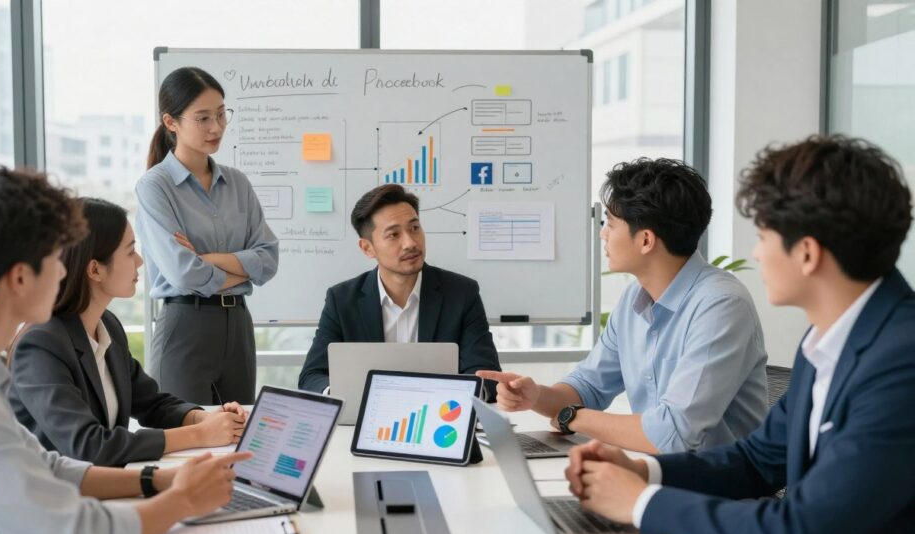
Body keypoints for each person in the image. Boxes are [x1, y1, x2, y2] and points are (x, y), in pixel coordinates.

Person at [565, 135, 915, 534]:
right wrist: (642, 470)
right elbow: (755, 461)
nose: (755, 253)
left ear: (807, 253)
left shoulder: (900, 365)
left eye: (764, 235)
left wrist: (638, 502)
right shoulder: (826, 342)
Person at [0, 167, 251, 534]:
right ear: (20, 277)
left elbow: (45, 466)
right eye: (54, 258)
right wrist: (183, 500)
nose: (65, 270)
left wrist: (164, 479)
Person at [479, 158, 767, 454]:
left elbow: (674, 435)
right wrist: (536, 396)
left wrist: (574, 417)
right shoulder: (634, 299)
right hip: (653, 476)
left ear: (645, 240)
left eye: (610, 223)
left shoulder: (721, 306)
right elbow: (588, 388)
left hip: (716, 492)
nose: (603, 233)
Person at [9, 198, 248, 467]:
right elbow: (89, 446)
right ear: (95, 269)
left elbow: (151, 403)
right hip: (57, 499)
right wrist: (198, 435)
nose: (140, 261)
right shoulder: (40, 344)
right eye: (130, 251)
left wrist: (204, 418)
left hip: (105, 488)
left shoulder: (106, 325)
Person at [136, 66, 278, 405]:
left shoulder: (238, 183)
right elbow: (182, 272)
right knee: (187, 439)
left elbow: (269, 259)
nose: (216, 127)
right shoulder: (155, 187)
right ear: (171, 122)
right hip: (185, 323)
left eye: (220, 114)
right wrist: (242, 267)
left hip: (238, 324)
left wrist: (206, 260)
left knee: (237, 438)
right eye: (202, 118)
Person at [298, 183, 502, 399]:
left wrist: (463, 396)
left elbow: (486, 375)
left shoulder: (462, 294)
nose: (410, 243)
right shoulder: (342, 300)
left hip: (440, 421)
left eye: (415, 228)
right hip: (367, 420)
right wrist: (344, 396)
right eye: (394, 235)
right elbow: (312, 376)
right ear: (367, 248)